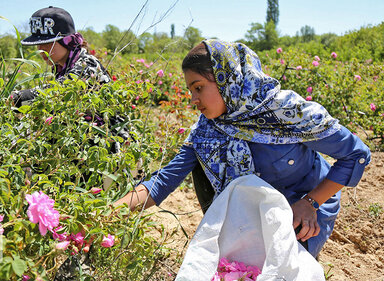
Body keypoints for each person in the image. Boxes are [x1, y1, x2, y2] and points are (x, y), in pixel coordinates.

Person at [114, 39, 371, 258]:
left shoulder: (286, 113)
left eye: (199, 88)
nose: (193, 100)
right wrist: (109, 213)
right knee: (234, 274)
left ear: (228, 80)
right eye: (191, 91)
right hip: (253, 215)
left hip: (302, 208)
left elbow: (356, 154)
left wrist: (311, 203)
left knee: (280, 272)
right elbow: (163, 180)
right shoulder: (206, 131)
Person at [12, 6, 111, 107]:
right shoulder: (58, 68)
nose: (40, 49)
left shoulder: (88, 64)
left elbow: (62, 88)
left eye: (48, 43)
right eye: (38, 44)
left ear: (67, 41)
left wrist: (15, 98)